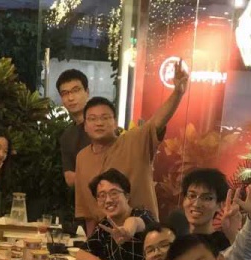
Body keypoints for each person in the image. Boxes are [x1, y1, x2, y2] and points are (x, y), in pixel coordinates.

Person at [74, 60, 189, 228]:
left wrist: (177, 93)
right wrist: (92, 242)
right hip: (106, 236)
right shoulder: (82, 157)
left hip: (144, 233)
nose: (99, 123)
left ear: (115, 123)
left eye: (105, 118)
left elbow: (157, 122)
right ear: (85, 125)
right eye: (92, 119)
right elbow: (87, 211)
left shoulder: (135, 140)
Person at [73, 169, 156, 260]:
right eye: (102, 196)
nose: (108, 200)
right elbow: (81, 254)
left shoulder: (143, 215)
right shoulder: (106, 225)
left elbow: (134, 222)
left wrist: (127, 231)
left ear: (127, 196)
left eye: (114, 193)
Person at [57, 69, 91, 188]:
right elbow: (70, 179)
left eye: (76, 91)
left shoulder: (102, 126)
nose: (70, 98)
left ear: (87, 92)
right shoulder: (67, 136)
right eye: (65, 93)